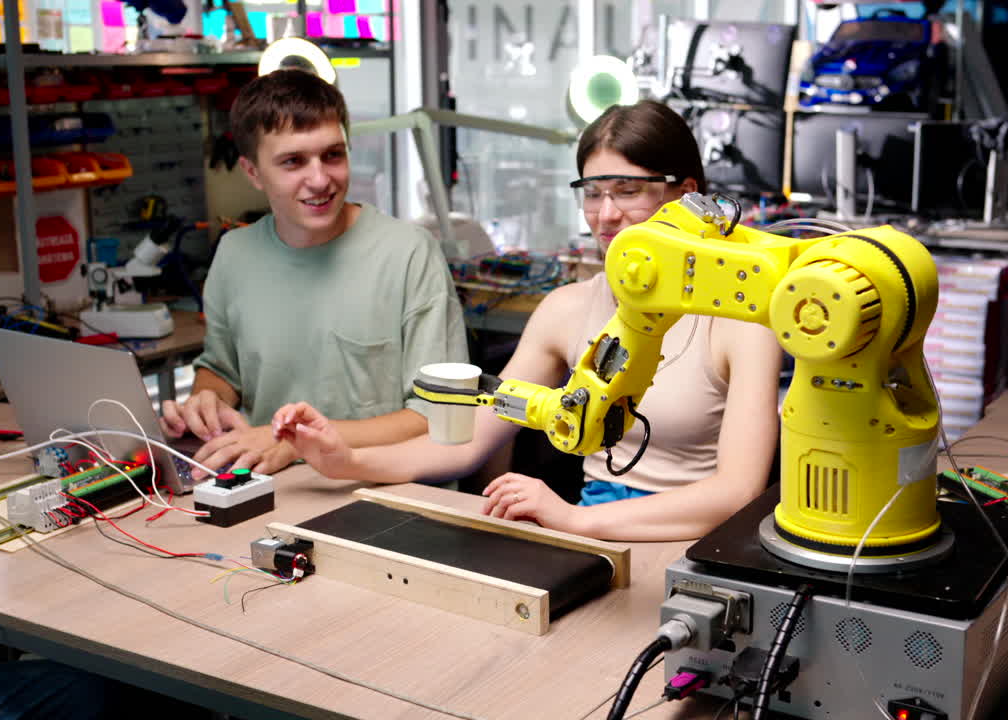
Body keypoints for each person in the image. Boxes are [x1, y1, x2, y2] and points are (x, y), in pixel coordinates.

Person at [272, 100, 783, 541]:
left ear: (686, 195)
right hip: (594, 531)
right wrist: (347, 462)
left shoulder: (741, 323)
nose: (605, 216)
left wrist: (574, 519)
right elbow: (473, 439)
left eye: (627, 190)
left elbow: (736, 493)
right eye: (592, 192)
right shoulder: (567, 309)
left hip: (685, 544)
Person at [158, 69, 467, 477]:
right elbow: (223, 369)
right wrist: (206, 399)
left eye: (333, 155)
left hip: (387, 492)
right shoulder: (234, 254)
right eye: (293, 162)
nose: (320, 179)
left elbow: (437, 418)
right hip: (274, 487)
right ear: (252, 173)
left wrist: (295, 442)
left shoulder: (409, 254)